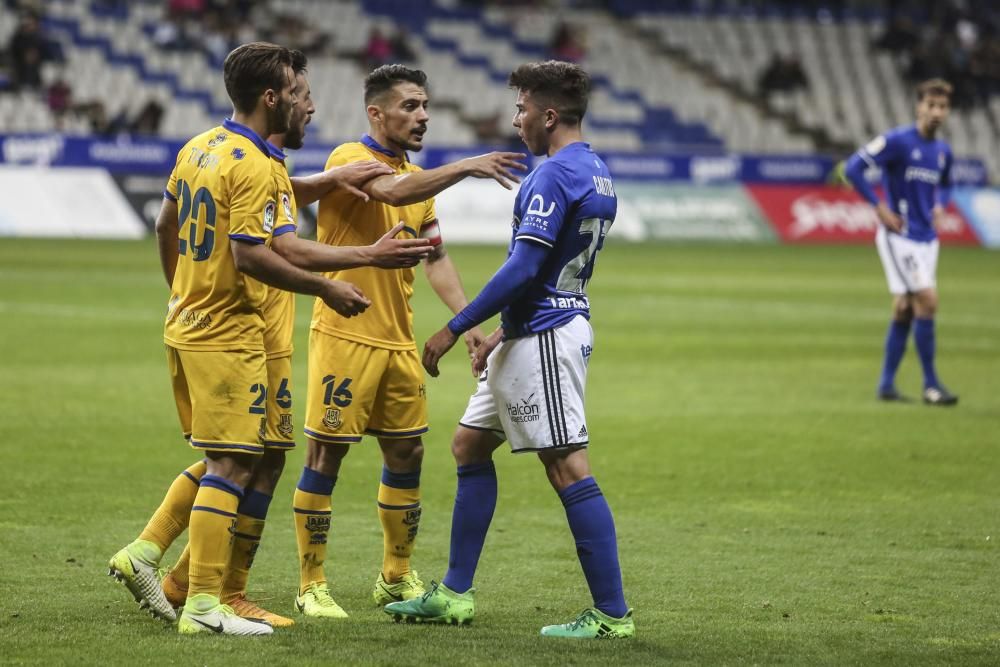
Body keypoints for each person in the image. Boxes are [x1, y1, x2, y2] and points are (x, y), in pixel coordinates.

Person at [106, 41, 413, 637]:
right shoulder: (256, 163)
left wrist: (182, 290)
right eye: (301, 94)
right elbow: (261, 252)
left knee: (263, 454)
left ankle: (169, 569)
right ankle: (201, 602)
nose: (311, 106)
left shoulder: (201, 147)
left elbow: (170, 222)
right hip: (231, 331)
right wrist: (347, 272)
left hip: (201, 324)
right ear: (272, 98)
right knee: (234, 460)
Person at [384, 60, 635, 639]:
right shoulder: (595, 170)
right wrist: (500, 335)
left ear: (548, 115)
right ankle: (453, 593)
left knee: (567, 466)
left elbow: (524, 267)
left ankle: (612, 615)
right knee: (469, 445)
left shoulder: (550, 177)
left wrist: (456, 327)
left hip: (547, 335)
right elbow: (551, 269)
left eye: (522, 108)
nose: (516, 118)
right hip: (536, 328)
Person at [293, 64, 529, 619]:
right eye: (409, 106)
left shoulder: (418, 182)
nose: (422, 116)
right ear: (376, 113)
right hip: (345, 334)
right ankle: (311, 583)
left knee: (408, 452)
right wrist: (467, 165)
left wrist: (468, 324)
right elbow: (392, 188)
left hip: (397, 341)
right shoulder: (347, 160)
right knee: (326, 453)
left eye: (425, 106)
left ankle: (395, 578)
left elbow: (437, 256)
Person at [844, 78, 958, 406]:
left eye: (942, 106)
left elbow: (948, 183)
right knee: (929, 300)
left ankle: (886, 385)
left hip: (927, 239)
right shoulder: (897, 141)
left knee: (905, 308)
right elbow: (853, 167)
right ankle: (931, 385)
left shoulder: (942, 151)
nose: (936, 112)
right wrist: (878, 207)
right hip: (900, 236)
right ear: (919, 107)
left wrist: (941, 205)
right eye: (931, 105)